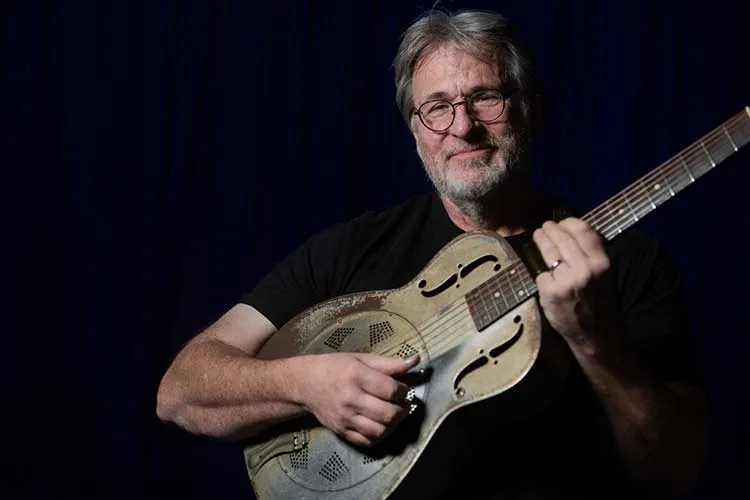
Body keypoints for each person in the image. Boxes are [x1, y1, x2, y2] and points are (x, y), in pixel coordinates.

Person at [157, 9, 708, 500]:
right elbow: (181, 391)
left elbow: (671, 473)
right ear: (416, 131)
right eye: (437, 108)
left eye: (485, 97)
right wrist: (305, 384)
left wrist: (593, 338)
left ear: (528, 107)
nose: (462, 127)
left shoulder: (627, 263)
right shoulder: (349, 249)